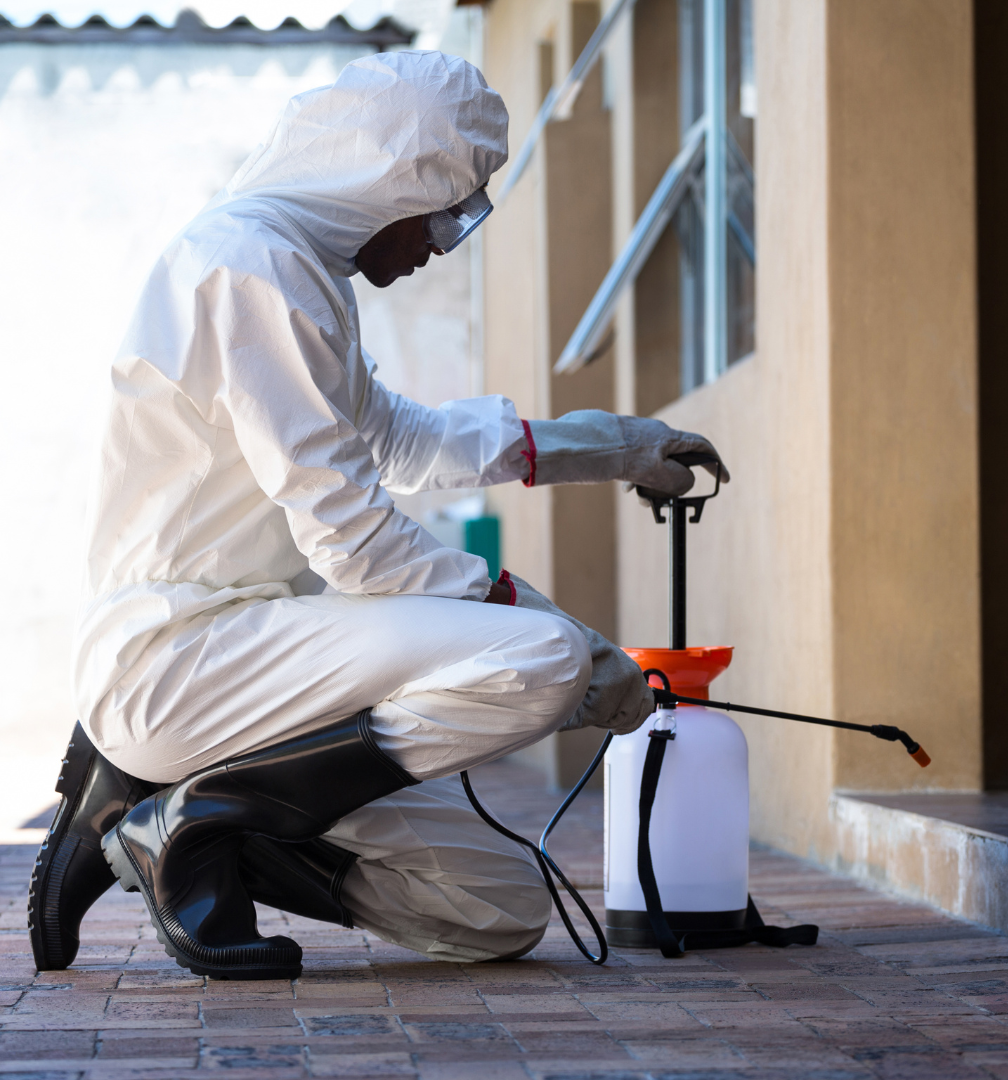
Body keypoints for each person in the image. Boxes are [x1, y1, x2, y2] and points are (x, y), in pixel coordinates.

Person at [28, 51, 727, 980]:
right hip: (182, 656)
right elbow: (352, 542)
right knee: (543, 661)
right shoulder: (252, 268)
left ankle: (178, 812)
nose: (442, 242)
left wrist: (615, 447)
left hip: (255, 665)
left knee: (500, 907)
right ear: (386, 176)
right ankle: (187, 822)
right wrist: (565, 637)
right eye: (445, 208)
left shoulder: (299, 271)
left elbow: (404, 440)